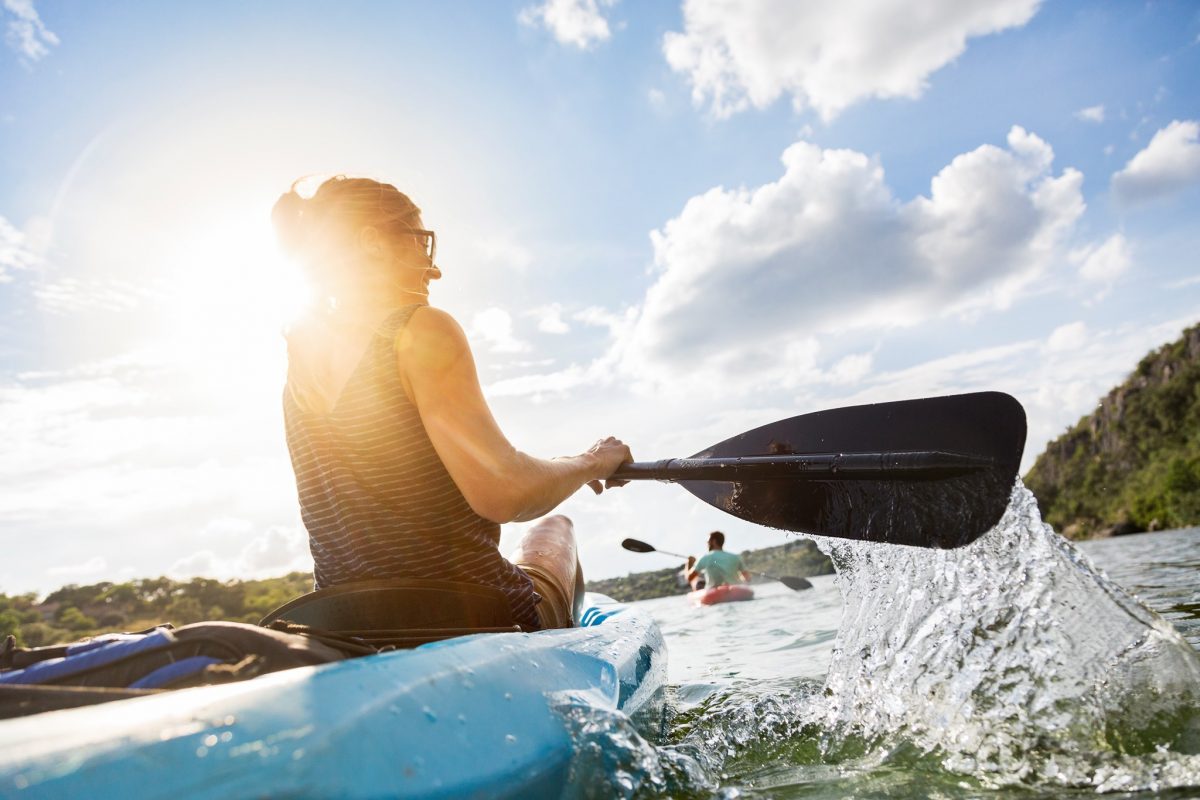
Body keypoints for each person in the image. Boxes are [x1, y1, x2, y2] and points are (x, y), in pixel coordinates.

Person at [271, 175, 632, 632]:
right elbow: (505, 491)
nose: (433, 268)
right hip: (471, 616)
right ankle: (568, 657)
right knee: (557, 527)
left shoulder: (299, 370)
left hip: (347, 626)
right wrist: (591, 462)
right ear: (373, 243)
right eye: (420, 243)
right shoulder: (420, 330)